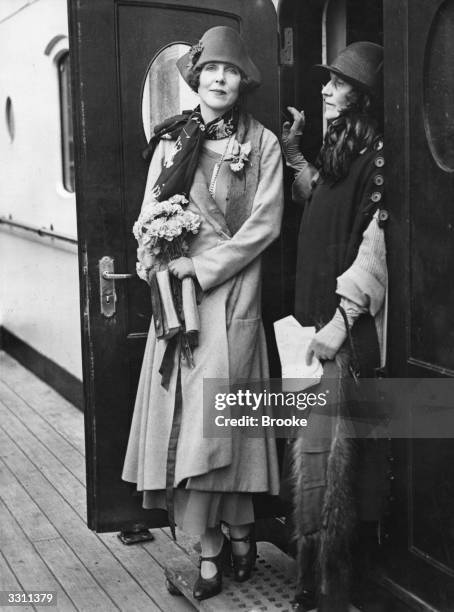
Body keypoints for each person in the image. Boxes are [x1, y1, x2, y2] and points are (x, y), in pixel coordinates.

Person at [122, 26, 283, 601]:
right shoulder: (172, 141)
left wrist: (204, 265)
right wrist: (158, 260)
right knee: (193, 429)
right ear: (196, 77)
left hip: (234, 296)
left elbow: (266, 225)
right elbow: (149, 214)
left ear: (243, 81)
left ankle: (242, 533)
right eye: (211, 69)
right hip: (182, 313)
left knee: (226, 429)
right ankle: (212, 549)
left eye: (230, 71)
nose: (219, 79)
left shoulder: (262, 143)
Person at [281, 42, 388, 611]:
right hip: (315, 322)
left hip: (338, 331)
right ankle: (309, 578)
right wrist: (295, 156)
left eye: (338, 83)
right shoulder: (345, 148)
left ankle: (328, 588)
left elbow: (376, 250)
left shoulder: (379, 158)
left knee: (329, 461)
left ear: (363, 96)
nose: (325, 89)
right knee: (313, 453)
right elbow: (319, 194)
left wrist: (340, 325)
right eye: (327, 80)